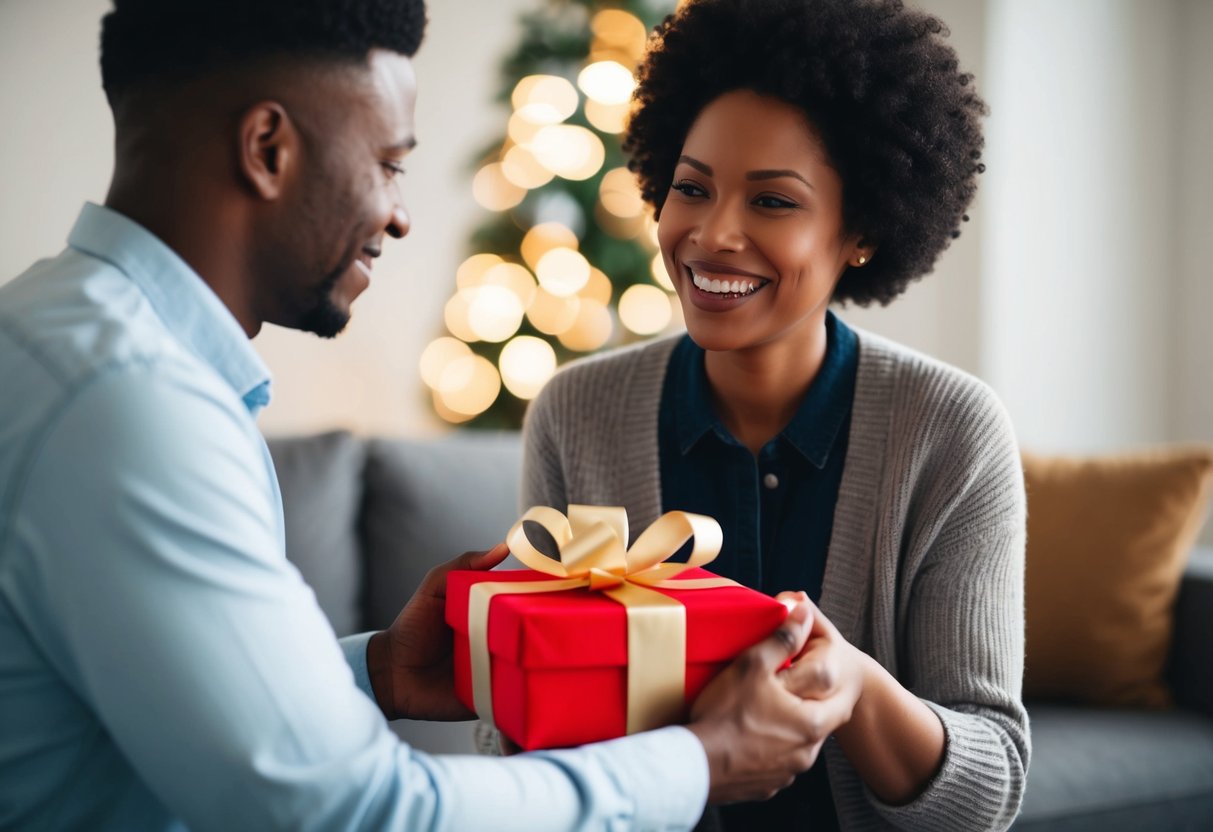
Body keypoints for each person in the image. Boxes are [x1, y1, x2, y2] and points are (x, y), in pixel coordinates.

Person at [0, 1, 840, 829]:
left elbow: (132, 704)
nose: (399, 215)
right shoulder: (132, 408)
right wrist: (701, 760)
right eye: (389, 163)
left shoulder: (54, 330)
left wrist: (376, 673)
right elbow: (355, 812)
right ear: (268, 149)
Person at [521, 0, 1030, 830]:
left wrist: (857, 690)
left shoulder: (949, 430)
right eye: (691, 188)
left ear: (858, 228)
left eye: (772, 202)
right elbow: (519, 735)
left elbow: (985, 795)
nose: (711, 234)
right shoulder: (577, 413)